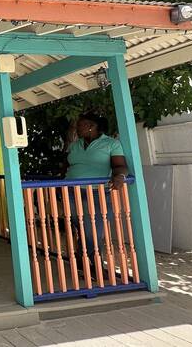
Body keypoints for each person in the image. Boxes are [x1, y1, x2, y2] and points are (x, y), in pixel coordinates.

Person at [63, 112, 128, 274]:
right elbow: (66, 165)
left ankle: (94, 264)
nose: (77, 128)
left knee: (94, 229)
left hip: (98, 193)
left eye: (81, 125)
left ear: (92, 127)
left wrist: (120, 176)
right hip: (72, 192)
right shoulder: (75, 145)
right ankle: (85, 260)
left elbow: (120, 165)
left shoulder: (111, 144)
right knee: (82, 227)